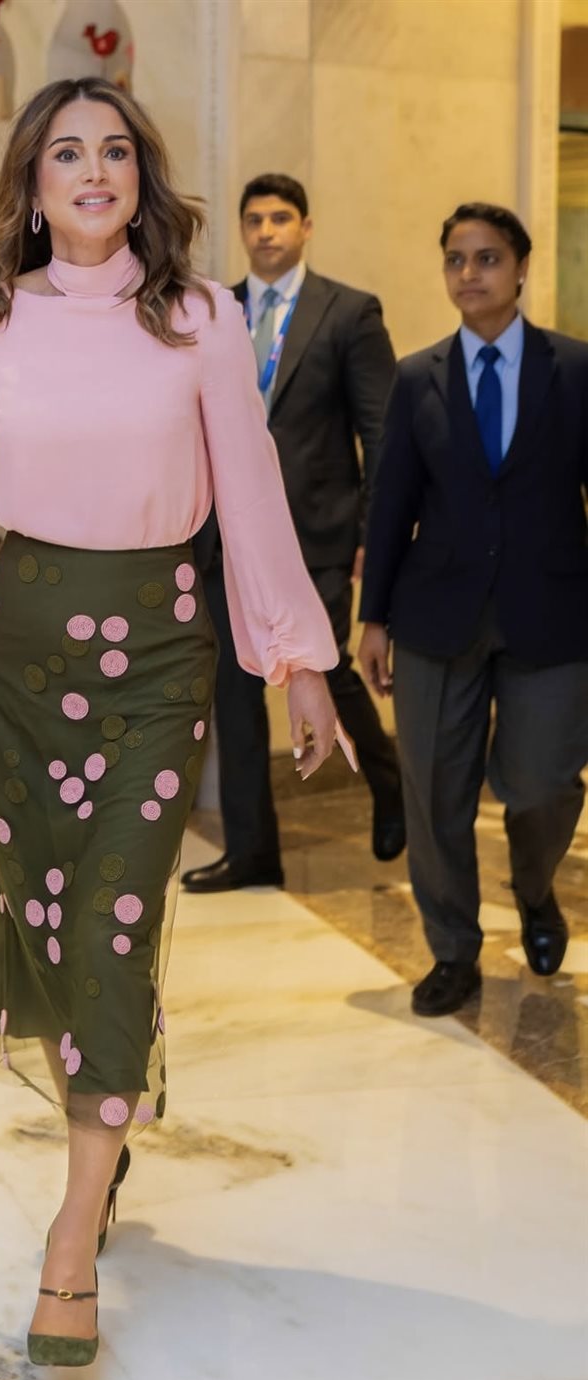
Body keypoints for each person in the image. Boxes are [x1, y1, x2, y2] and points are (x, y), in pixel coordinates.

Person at [0, 82, 347, 1366]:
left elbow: (252, 488)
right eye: (66, 152)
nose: (94, 169)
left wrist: (297, 656)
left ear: (141, 175)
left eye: (115, 150)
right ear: (31, 183)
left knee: (117, 914)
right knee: (56, 915)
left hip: (159, 657)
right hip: (16, 662)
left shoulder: (201, 316)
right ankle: (106, 1122)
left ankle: (70, 1235)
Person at [358, 203, 588, 1018]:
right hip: (435, 615)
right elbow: (392, 503)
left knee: (543, 783)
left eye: (487, 258)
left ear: (521, 268)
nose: (469, 273)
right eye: (456, 259)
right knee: (433, 792)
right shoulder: (418, 376)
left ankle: (535, 891)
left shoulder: (575, 368)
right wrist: (373, 618)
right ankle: (453, 951)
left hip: (552, 614)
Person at [183, 173, 405, 894]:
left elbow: (382, 434)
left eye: (281, 218)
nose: (266, 231)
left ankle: (390, 780)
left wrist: (373, 532)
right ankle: (253, 852)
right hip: (224, 538)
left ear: (306, 227)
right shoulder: (212, 312)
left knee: (325, 668)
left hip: (318, 534)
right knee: (235, 691)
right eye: (254, 219)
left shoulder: (348, 312)